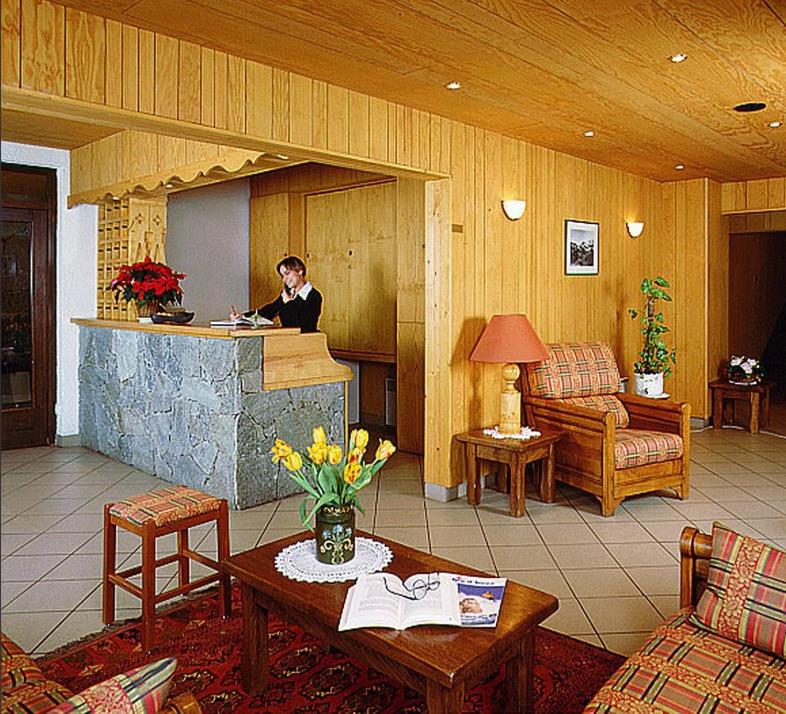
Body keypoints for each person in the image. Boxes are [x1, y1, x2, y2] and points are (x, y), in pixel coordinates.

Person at [230, 256, 322, 333]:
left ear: (300, 271)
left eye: (287, 273)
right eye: (282, 276)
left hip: (305, 341)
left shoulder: (314, 296)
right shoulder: (288, 294)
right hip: (287, 340)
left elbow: (300, 325)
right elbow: (268, 312)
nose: (284, 279)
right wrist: (242, 317)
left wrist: (288, 302)